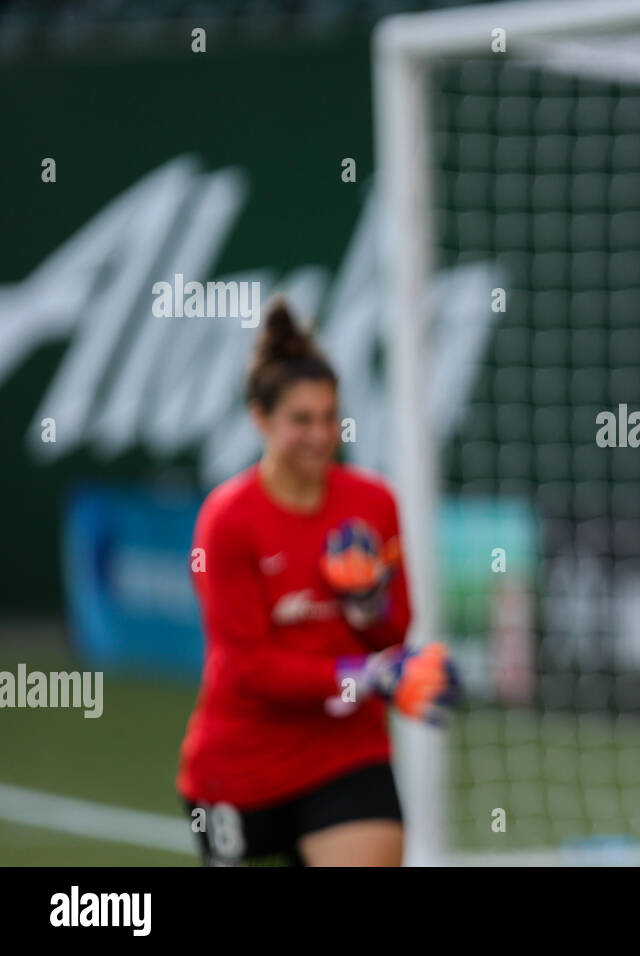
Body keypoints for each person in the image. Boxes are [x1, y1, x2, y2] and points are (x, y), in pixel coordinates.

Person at [177, 296, 456, 866]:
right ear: (260, 418)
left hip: (346, 756)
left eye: (330, 416)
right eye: (300, 419)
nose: (320, 433)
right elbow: (246, 668)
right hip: (241, 767)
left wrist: (369, 605)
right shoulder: (228, 520)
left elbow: (396, 633)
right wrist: (366, 675)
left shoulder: (373, 504)